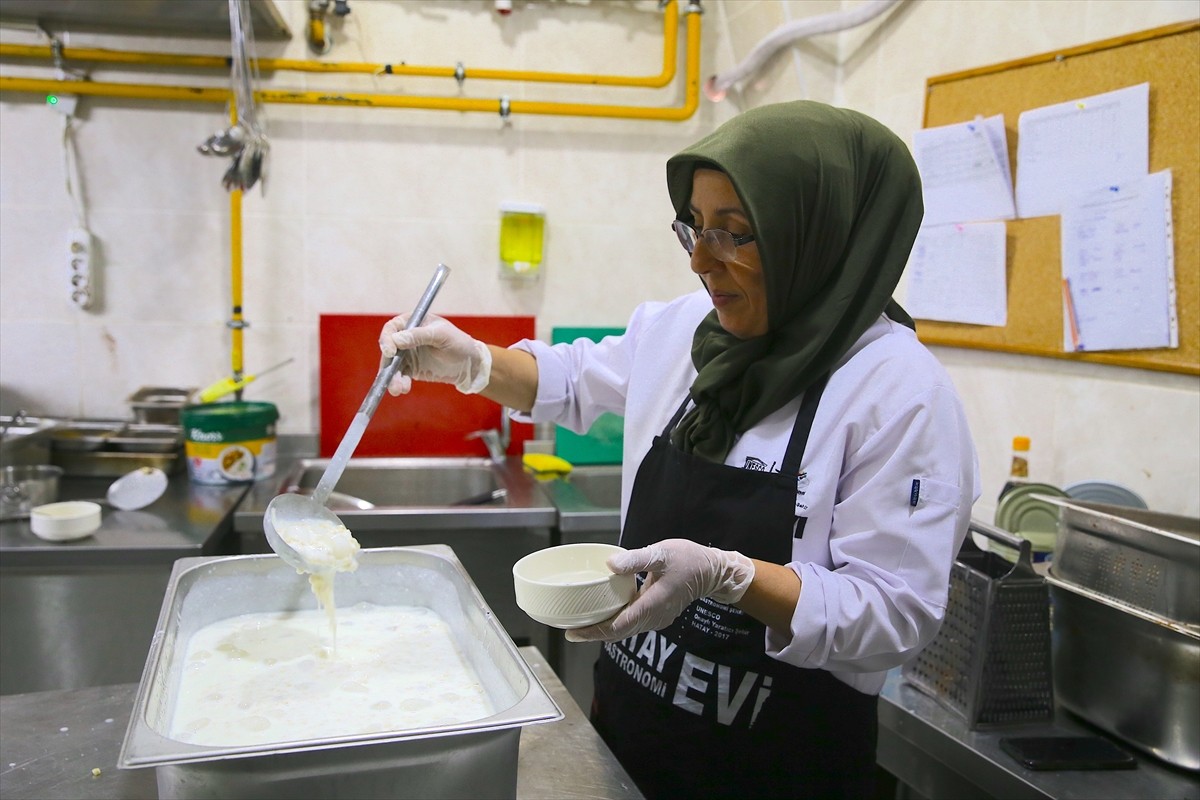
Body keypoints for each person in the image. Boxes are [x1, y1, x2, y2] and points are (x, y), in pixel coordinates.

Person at [379, 100, 979, 799]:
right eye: (693, 227)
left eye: (733, 234)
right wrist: (473, 363)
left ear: (817, 236)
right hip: (630, 746)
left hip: (777, 775)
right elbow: (573, 379)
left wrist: (729, 577)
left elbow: (893, 617)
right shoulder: (690, 329)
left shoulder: (898, 393)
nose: (700, 260)